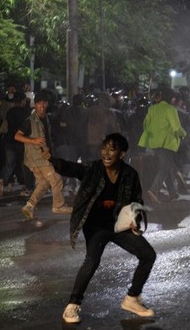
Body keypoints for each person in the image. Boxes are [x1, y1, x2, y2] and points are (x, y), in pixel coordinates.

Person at [54, 133, 157, 324]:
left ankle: (132, 298)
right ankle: (72, 306)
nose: (106, 153)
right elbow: (72, 168)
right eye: (104, 148)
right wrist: (54, 162)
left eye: (112, 149)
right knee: (92, 262)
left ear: (122, 153)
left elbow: (136, 202)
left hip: (119, 225)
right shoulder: (93, 168)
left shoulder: (130, 174)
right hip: (95, 226)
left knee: (148, 255)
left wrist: (135, 219)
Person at [14, 91, 72, 217]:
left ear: (47, 104)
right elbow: (17, 136)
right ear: (35, 105)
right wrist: (33, 140)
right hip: (38, 159)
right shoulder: (29, 121)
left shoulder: (47, 119)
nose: (42, 106)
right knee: (56, 178)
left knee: (44, 184)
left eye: (44, 103)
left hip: (42, 158)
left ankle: (29, 206)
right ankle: (59, 206)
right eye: (39, 103)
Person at [138, 88, 187, 203]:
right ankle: (154, 190)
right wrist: (185, 134)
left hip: (154, 143)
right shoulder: (171, 109)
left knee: (167, 166)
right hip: (167, 143)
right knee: (165, 167)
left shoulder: (152, 108)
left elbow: (145, 124)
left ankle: (172, 193)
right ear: (172, 98)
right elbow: (176, 127)